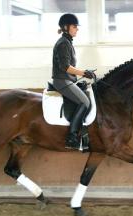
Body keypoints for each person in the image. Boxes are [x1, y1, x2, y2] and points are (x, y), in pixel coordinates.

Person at [52, 13, 96, 150]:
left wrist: (82, 74)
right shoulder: (63, 43)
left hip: (68, 80)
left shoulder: (67, 42)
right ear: (66, 27)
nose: (77, 29)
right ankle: (71, 137)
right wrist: (84, 73)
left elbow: (70, 68)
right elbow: (65, 67)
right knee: (85, 102)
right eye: (74, 26)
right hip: (62, 81)